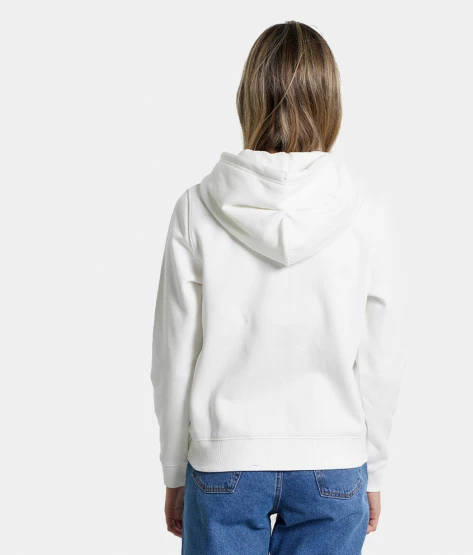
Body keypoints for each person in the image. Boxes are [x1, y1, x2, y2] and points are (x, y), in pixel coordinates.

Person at [150, 20, 405, 554]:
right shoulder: (365, 211)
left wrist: (174, 467)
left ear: (246, 98)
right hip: (334, 460)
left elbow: (174, 356)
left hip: (223, 459)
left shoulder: (197, 208)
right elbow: (380, 361)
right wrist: (375, 468)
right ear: (331, 103)